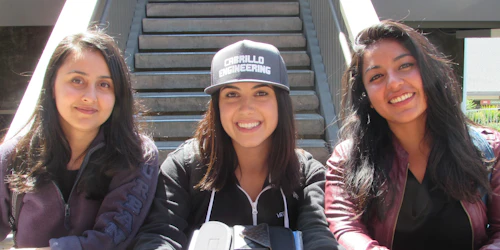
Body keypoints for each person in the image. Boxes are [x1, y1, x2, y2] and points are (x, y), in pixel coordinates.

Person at [129, 40, 341, 250]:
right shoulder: (184, 167)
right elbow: (159, 235)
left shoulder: (307, 173)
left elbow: (319, 234)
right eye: (231, 94)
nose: (246, 108)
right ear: (216, 106)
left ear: (281, 102)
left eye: (261, 93)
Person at [324, 20, 500, 250]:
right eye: (376, 77)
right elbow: (344, 226)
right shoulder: (347, 159)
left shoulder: (489, 149)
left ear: (428, 72)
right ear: (366, 96)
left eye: (405, 65)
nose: (395, 83)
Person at [0, 29, 159, 249]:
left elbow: (111, 238)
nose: (90, 96)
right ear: (52, 86)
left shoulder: (137, 155)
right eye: (77, 80)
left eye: (104, 84)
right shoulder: (13, 157)